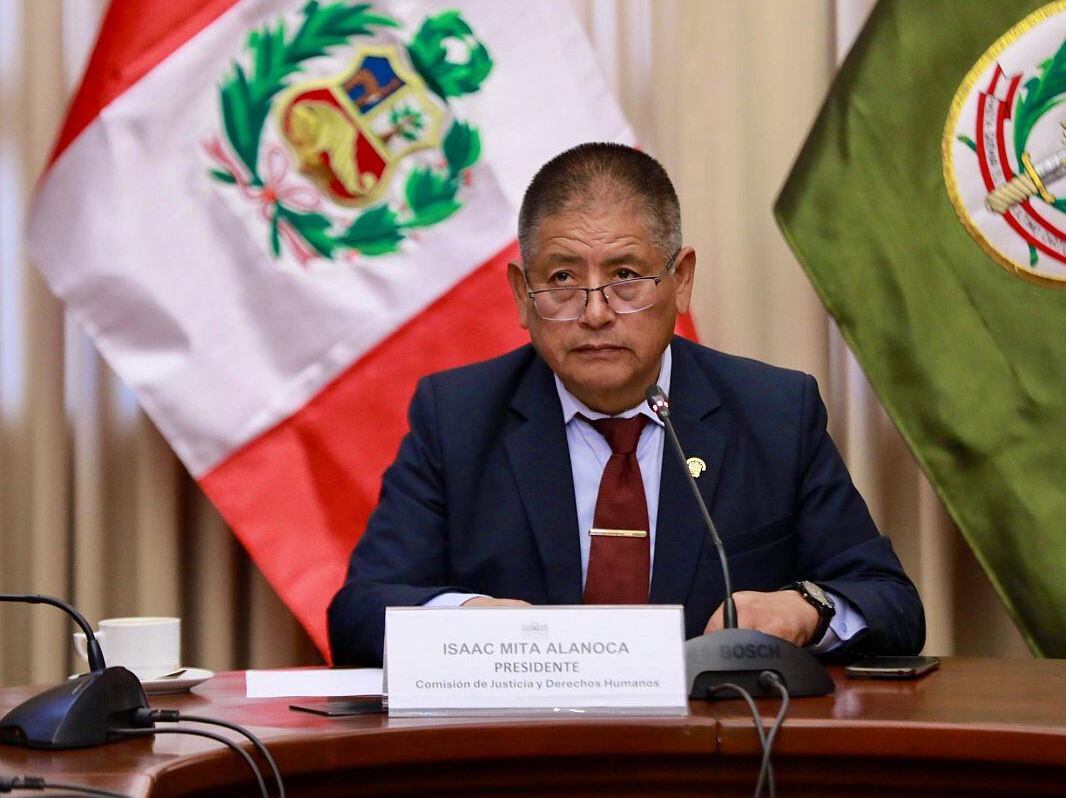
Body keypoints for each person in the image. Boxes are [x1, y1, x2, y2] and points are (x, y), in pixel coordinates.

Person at [328, 143, 923, 667]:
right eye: (562, 278)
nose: (594, 312)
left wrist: (804, 608)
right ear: (520, 294)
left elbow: (891, 603)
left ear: (680, 280)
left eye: (626, 275)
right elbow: (357, 615)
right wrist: (471, 620)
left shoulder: (773, 412)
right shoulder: (457, 418)